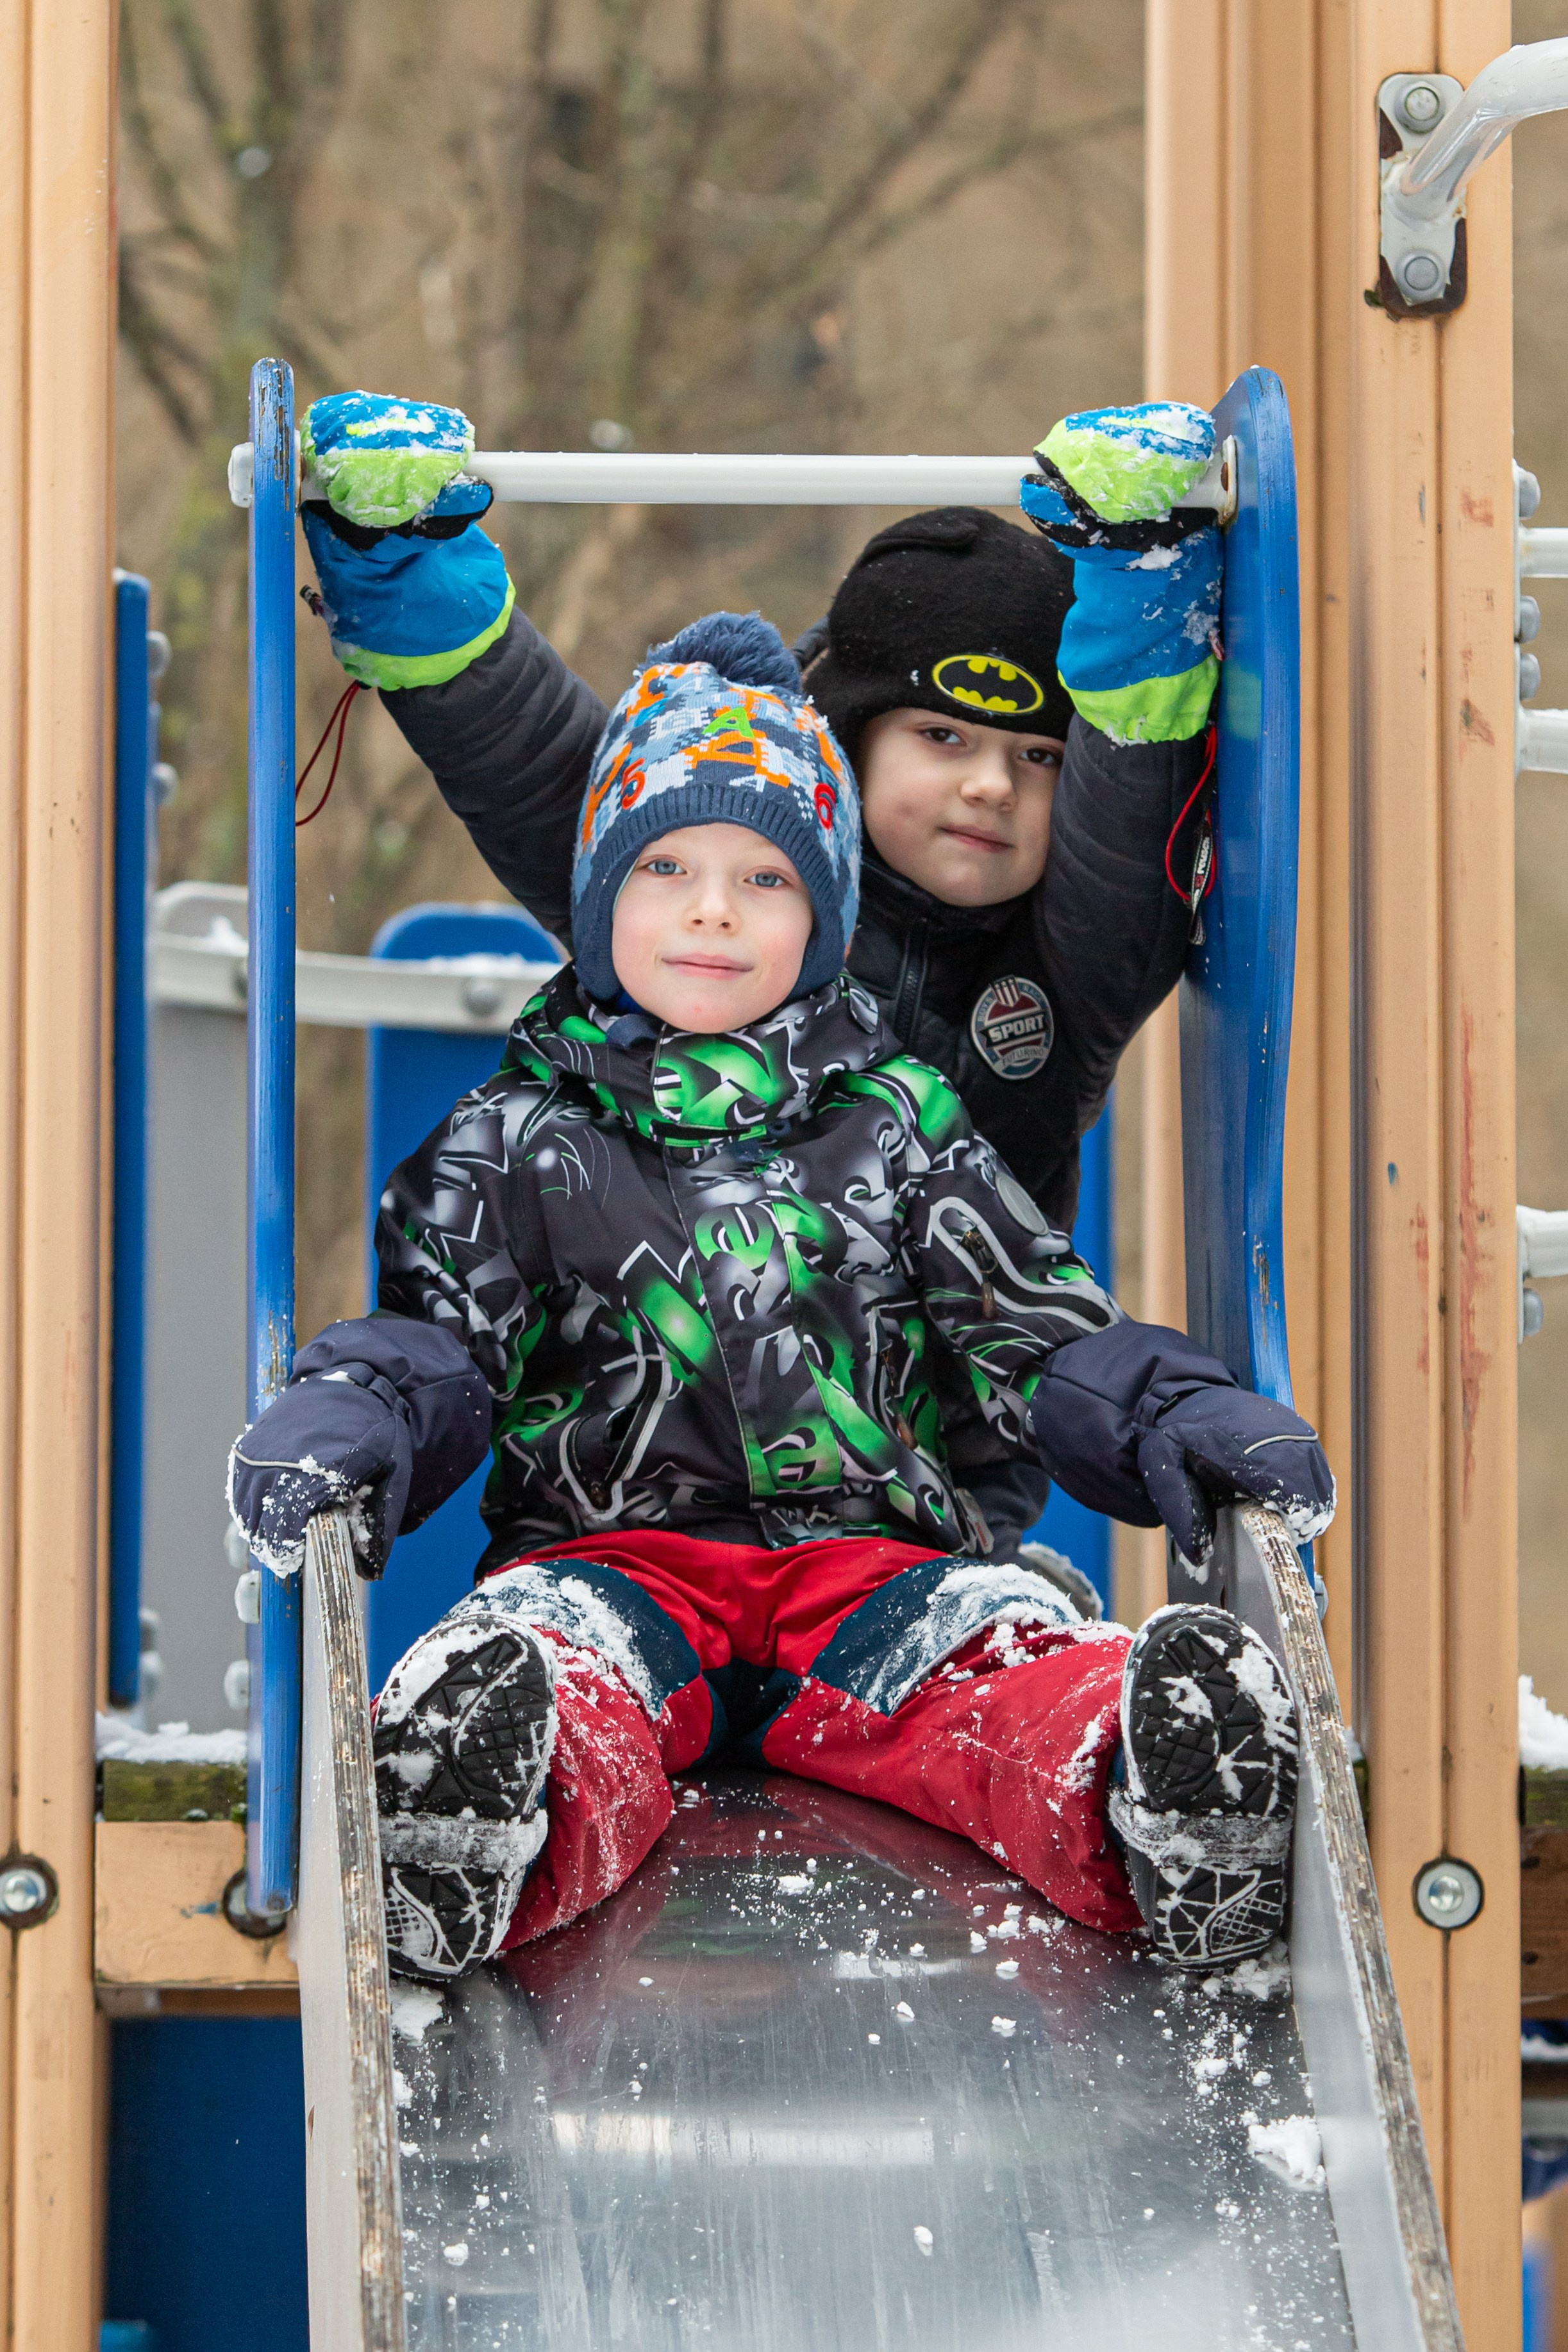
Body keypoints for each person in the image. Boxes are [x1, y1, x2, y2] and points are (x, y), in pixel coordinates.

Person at [227, 612, 1331, 1986]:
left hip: (869, 1568)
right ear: (599, 898)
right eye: (665, 867)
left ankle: (1155, 1797)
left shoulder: (897, 1120)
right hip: (614, 1558)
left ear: (823, 920)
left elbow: (1028, 1327)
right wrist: (357, 1408)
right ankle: (470, 1832)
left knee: (999, 1663)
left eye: (763, 877)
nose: (711, 909)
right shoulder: (514, 1136)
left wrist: (1173, 1410)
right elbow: (442, 1340)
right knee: (550, 1669)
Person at [292, 393, 1221, 1565]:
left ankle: (994, 1631)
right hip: (646, 1493)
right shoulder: (725, 893)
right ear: (848, 738)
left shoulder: (1065, 964)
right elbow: (534, 764)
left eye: (1038, 757)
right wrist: (406, 570)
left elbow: (1128, 841)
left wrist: (1143, 593)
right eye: (942, 737)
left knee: (936, 1607)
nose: (990, 784)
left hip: (927, 1498)